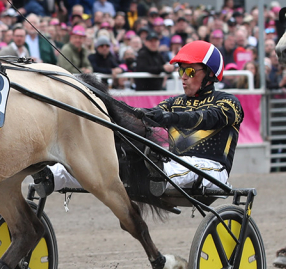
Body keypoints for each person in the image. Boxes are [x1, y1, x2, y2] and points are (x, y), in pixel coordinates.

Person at [48, 41, 241, 193]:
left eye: (190, 71)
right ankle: (54, 174)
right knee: (110, 165)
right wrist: (110, 108)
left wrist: (169, 117)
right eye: (181, 70)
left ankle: (159, 173)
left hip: (212, 170)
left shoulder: (228, 103)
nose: (183, 76)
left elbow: (205, 118)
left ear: (209, 73)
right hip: (175, 164)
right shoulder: (175, 102)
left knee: (181, 167)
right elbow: (145, 115)